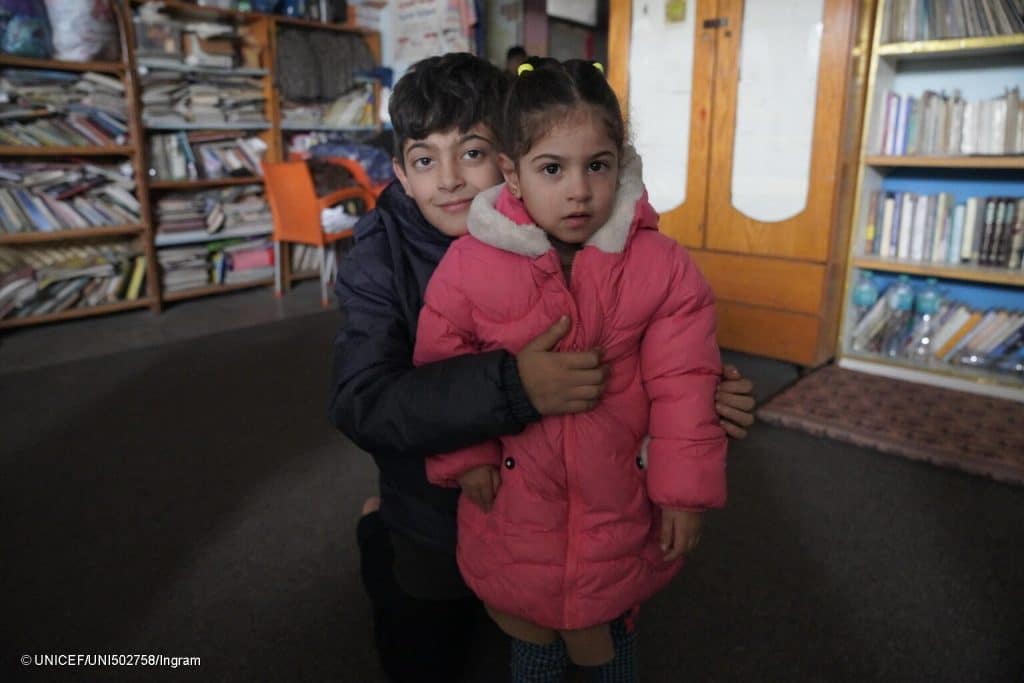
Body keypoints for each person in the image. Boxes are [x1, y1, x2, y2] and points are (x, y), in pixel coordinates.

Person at [328, 53, 753, 683]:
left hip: (559, 504)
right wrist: (511, 389)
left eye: (470, 152)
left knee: (583, 621)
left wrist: (706, 400)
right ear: (402, 170)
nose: (450, 180)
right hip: (432, 497)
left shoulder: (594, 239)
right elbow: (362, 401)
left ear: (508, 158)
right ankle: (376, 528)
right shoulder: (379, 256)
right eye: (425, 159)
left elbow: (665, 354)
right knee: (425, 658)